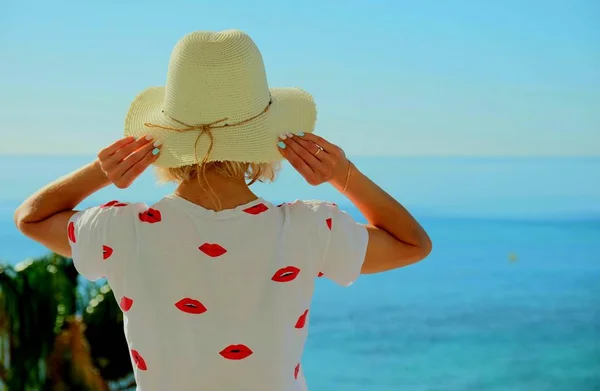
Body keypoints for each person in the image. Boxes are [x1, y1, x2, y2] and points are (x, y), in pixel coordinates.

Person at [14, 29, 432, 391]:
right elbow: (412, 244)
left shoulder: (120, 230)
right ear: (265, 141)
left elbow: (30, 218)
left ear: (166, 141)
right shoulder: (311, 228)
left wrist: (101, 172)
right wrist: (343, 175)